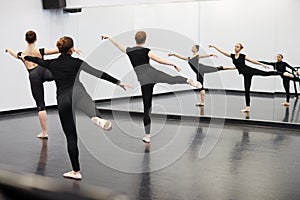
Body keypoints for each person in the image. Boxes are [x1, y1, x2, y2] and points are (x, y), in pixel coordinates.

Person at [20, 36, 130, 180]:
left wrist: (25, 56)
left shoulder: (51, 63)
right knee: (89, 106)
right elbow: (97, 72)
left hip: (64, 100)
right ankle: (96, 118)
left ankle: (75, 171)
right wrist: (118, 82)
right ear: (72, 49)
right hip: (79, 93)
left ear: (59, 49)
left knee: (71, 137)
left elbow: (37, 60)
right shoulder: (77, 62)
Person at [101, 31, 202, 143]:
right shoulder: (146, 51)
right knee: (171, 79)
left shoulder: (129, 50)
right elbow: (159, 60)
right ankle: (188, 80)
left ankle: (147, 136)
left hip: (144, 81)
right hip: (153, 73)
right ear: (145, 40)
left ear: (135, 39)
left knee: (147, 108)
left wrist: (110, 38)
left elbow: (119, 46)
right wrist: (172, 64)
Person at [5, 30, 63, 139]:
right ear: (36, 39)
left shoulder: (22, 55)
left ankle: (44, 132)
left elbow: (14, 54)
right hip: (45, 71)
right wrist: (70, 49)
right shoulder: (41, 51)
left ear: (26, 40)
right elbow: (58, 50)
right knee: (58, 73)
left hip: (34, 75)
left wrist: (8, 50)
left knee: (41, 105)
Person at [209, 43, 297, 112]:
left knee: (265, 73)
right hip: (246, 75)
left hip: (250, 70)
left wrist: (262, 64)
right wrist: (214, 46)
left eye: (237, 47)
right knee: (247, 90)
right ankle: (247, 107)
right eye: (235, 46)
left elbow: (252, 61)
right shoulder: (232, 56)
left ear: (240, 49)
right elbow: (223, 52)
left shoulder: (243, 56)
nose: (235, 48)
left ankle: (283, 73)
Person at [168, 45, 235, 106]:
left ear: (196, 49)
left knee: (217, 68)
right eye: (192, 47)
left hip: (202, 68)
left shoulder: (197, 55)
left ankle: (233, 68)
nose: (192, 48)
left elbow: (202, 56)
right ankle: (202, 102)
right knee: (200, 86)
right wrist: (173, 54)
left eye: (193, 47)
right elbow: (181, 57)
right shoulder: (189, 57)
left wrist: (210, 55)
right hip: (199, 72)